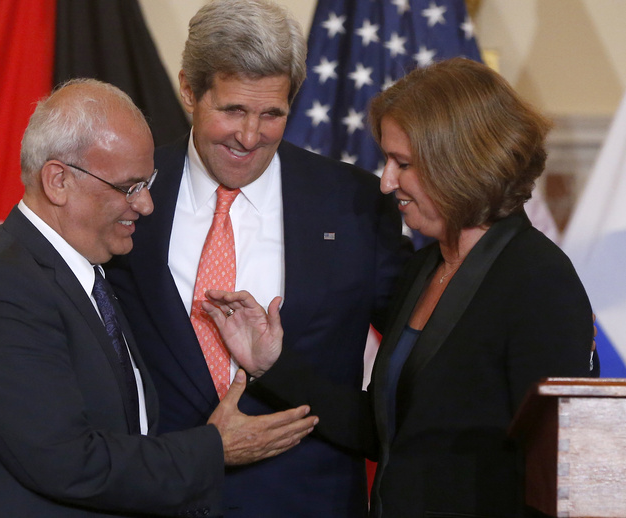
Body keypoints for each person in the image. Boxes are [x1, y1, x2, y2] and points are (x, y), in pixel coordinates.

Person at [0, 1, 410, 515]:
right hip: (148, 498)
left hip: (303, 502)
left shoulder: (356, 204)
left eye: (271, 113)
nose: (250, 136)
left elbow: (421, 345)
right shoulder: (125, 190)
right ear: (189, 90)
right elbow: (36, 285)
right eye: (232, 110)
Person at [202, 57, 597, 518]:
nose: (387, 183)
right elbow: (389, 429)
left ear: (462, 163)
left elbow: (563, 469)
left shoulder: (537, 279)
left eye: (402, 163)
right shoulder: (426, 266)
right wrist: (273, 365)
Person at [0, 79, 318, 517]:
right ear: (58, 181)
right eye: (128, 187)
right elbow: (69, 463)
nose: (145, 205)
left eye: (148, 183)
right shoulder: (3, 290)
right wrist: (215, 448)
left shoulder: (86, 274)